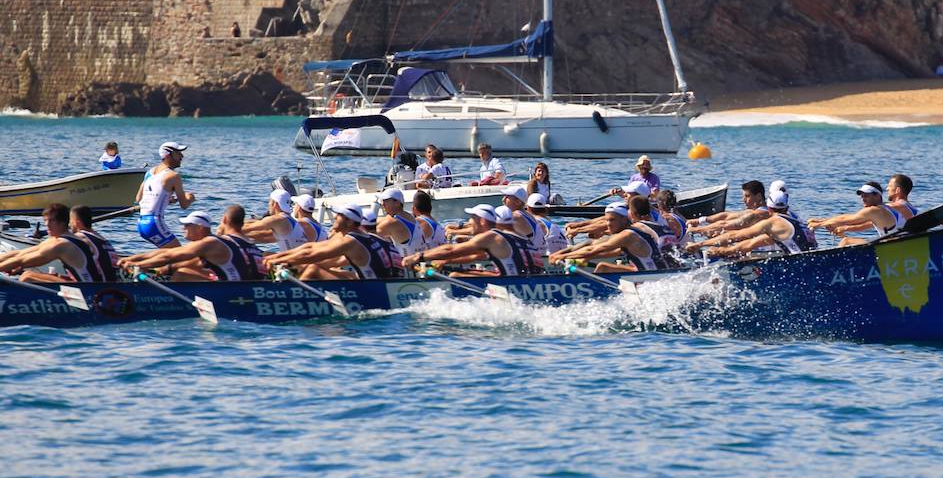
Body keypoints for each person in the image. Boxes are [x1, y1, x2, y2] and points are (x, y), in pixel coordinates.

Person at [120, 207, 268, 282]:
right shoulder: (250, 244)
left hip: (232, 293)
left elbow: (169, 255)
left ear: (224, 220)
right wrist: (137, 259)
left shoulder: (213, 243)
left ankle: (168, 306)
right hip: (250, 289)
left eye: (187, 225)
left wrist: (136, 263)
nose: (183, 229)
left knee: (181, 274)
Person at [271, 205, 404, 280]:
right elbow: (311, 247)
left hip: (376, 290)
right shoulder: (370, 238)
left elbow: (310, 254)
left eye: (339, 215)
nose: (334, 217)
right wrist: (276, 257)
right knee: (308, 266)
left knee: (312, 269)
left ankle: (293, 299)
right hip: (384, 284)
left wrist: (277, 261)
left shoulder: (350, 242)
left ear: (350, 222)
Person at [403, 204, 536, 276]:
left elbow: (451, 249)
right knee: (458, 273)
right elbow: (475, 255)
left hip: (512, 287)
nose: (469, 222)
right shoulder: (516, 236)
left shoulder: (492, 237)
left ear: (482, 221)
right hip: (529, 282)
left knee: (455, 276)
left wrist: (417, 257)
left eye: (472, 218)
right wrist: (445, 261)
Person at [0, 203, 112, 284]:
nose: (47, 225)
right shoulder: (62, 239)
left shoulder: (63, 245)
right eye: (45, 221)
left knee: (27, 278)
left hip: (89, 292)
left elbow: (21, 261)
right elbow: (19, 254)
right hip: (86, 285)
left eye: (51, 221)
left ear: (63, 223)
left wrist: (16, 266)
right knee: (26, 275)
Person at [685, 189, 814, 259]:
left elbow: (736, 235)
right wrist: (725, 251)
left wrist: (699, 244)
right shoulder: (796, 220)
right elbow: (749, 244)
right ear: (787, 207)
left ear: (768, 207)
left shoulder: (772, 222)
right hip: (810, 260)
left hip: (801, 264)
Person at [549, 197, 667, 273]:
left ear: (626, 218)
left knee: (602, 267)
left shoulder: (629, 234)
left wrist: (561, 257)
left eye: (612, 220)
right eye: (607, 220)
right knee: (603, 267)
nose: (608, 225)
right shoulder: (645, 227)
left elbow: (594, 248)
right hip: (663, 272)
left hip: (653, 279)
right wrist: (567, 255)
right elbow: (596, 245)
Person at [135, 141, 195, 247]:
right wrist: (189, 198)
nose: (182, 156)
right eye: (178, 153)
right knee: (179, 254)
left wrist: (165, 199)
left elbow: (139, 199)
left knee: (168, 255)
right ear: (168, 155)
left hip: (141, 223)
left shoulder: (149, 173)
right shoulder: (173, 176)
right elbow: (184, 205)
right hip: (154, 223)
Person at [807, 181, 906, 245]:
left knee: (846, 241)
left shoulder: (874, 210)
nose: (863, 199)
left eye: (866, 196)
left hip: (892, 247)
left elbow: (847, 219)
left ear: (877, 196)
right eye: (862, 196)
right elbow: (864, 224)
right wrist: (824, 221)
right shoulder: (887, 207)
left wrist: (818, 225)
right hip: (895, 243)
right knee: (847, 240)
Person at [242, 191, 325, 250]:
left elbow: (265, 234)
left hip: (306, 264)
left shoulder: (302, 223)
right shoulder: (315, 224)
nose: (293, 207)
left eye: (295, 204)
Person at [691, 179, 767, 234]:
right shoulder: (751, 211)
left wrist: (698, 230)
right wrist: (699, 221)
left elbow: (725, 224)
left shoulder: (761, 214)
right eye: (743, 196)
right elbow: (727, 216)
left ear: (759, 196)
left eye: (747, 196)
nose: (743, 200)